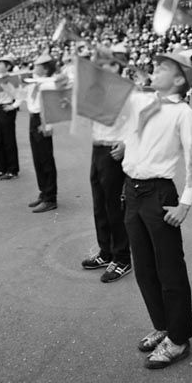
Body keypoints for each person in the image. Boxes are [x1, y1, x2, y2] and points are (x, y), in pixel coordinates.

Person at [113, 47, 192, 369]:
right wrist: (124, 144)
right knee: (145, 268)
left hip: (159, 193)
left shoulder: (183, 114)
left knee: (170, 270)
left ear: (178, 79)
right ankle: (162, 325)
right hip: (132, 191)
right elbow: (130, 128)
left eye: (162, 67)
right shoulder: (144, 101)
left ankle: (178, 339)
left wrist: (185, 203)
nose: (155, 69)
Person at [80, 45, 133, 283]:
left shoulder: (128, 91)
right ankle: (106, 251)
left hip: (114, 150)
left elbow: (141, 122)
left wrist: (126, 144)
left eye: (106, 64)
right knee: (99, 204)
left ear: (118, 65)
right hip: (98, 147)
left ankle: (122, 258)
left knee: (115, 206)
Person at [13, 52, 58, 212]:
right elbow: (22, 95)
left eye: (37, 65)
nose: (34, 67)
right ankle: (43, 191)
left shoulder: (48, 83)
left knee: (46, 158)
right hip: (34, 119)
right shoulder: (34, 81)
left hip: (43, 119)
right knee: (37, 158)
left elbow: (52, 105)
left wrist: (48, 124)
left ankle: (50, 197)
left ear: (45, 69)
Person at [0, 54, 20, 180]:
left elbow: (19, 95)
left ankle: (12, 169)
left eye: (1, 64)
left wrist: (13, 106)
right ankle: (1, 168)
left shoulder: (12, 79)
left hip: (7, 108)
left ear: (8, 66)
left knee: (9, 140)